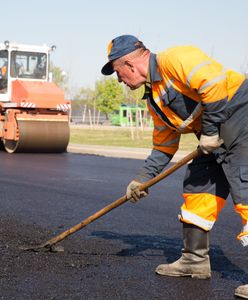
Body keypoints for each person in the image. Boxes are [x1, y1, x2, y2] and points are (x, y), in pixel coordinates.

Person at [101, 34, 248, 299]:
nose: (119, 80)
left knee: (245, 188)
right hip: (212, 136)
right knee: (198, 186)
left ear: (129, 64)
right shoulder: (154, 99)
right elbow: (164, 146)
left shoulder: (175, 59)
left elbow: (213, 85)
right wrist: (142, 179)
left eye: (117, 73)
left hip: (241, 117)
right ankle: (194, 260)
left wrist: (211, 130)